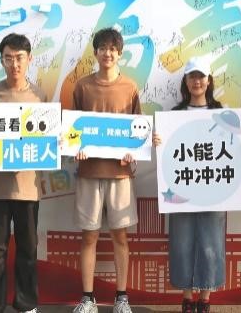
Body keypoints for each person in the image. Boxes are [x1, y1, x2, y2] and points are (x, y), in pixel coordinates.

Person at [152, 57, 241, 313]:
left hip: (214, 190)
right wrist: (158, 142)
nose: (197, 81)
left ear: (209, 81)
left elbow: (233, 147)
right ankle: (187, 298)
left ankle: (205, 298)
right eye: (192, 76)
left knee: (211, 243)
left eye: (201, 76)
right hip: (182, 189)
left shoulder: (222, 113)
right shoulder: (174, 116)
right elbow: (168, 153)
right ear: (186, 81)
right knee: (181, 242)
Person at [71, 27, 141, 313]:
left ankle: (121, 298)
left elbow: (138, 131)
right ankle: (88, 299)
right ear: (95, 52)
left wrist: (133, 151)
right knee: (89, 236)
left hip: (119, 175)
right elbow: (72, 129)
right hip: (88, 172)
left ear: (119, 53)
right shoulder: (82, 86)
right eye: (102, 48)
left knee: (120, 236)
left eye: (113, 49)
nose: (107, 53)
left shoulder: (130, 87)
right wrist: (76, 146)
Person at [0, 33, 46, 313]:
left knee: (28, 249)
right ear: (1, 60)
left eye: (19, 58)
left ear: (29, 59)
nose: (14, 64)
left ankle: (26, 304)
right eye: (8, 58)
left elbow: (46, 139)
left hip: (28, 188)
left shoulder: (40, 97)